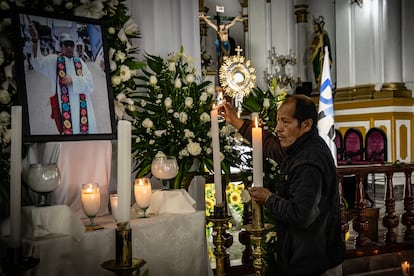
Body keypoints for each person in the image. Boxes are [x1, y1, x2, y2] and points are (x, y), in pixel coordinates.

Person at [219, 95, 345, 275]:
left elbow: (301, 214)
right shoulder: (302, 147)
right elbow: (271, 145)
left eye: (285, 122)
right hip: (308, 257)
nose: (278, 128)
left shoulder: (308, 162)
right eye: (278, 121)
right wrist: (236, 121)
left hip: (314, 263)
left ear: (306, 124)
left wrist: (268, 198)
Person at [29, 22, 97, 135]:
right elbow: (38, 63)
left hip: (84, 112)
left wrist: (73, 80)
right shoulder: (54, 61)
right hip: (65, 113)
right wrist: (35, 41)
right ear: (61, 46)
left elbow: (90, 85)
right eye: (66, 44)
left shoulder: (80, 62)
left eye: (71, 44)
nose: (70, 47)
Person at [310, 16, 332, 92]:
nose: (314, 29)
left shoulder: (324, 35)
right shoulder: (314, 37)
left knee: (322, 69)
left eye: (315, 27)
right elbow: (312, 46)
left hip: (322, 55)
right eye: (314, 27)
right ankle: (318, 85)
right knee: (316, 70)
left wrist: (325, 54)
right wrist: (314, 47)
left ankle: (323, 85)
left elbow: (327, 46)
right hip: (316, 56)